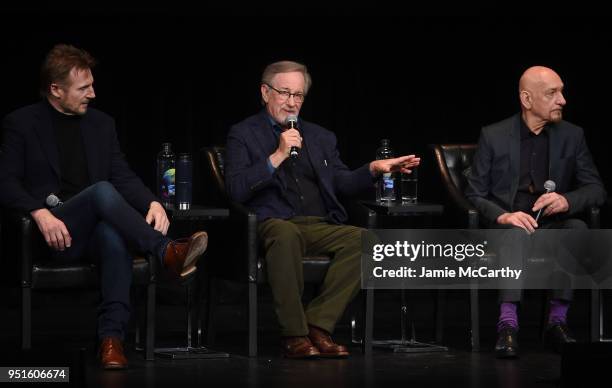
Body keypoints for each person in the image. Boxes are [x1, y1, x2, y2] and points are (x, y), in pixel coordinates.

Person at [0, 44, 209, 369]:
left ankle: (111, 341)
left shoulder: (101, 124)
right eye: (84, 88)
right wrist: (38, 213)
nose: (93, 94)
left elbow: (122, 175)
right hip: (55, 234)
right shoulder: (21, 123)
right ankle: (167, 252)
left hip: (95, 232)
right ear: (56, 89)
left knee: (113, 235)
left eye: (92, 85)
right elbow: (6, 183)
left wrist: (152, 201)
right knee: (101, 192)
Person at [225, 60, 420, 359]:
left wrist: (372, 169)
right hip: (273, 221)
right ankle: (294, 334)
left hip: (319, 223)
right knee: (285, 233)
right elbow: (236, 188)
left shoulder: (320, 136)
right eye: (284, 93)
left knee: (367, 241)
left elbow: (341, 182)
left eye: (298, 95)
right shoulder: (243, 134)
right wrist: (276, 155)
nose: (292, 103)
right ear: (265, 93)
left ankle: (318, 325)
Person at [465, 66, 607, 358]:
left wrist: (567, 200)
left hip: (551, 224)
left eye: (561, 91)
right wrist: (503, 216)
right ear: (527, 99)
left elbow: (596, 189)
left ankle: (557, 323)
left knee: (577, 229)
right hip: (507, 226)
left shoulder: (572, 135)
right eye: (552, 93)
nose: (563, 100)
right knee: (515, 235)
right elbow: (475, 193)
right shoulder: (493, 135)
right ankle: (507, 326)